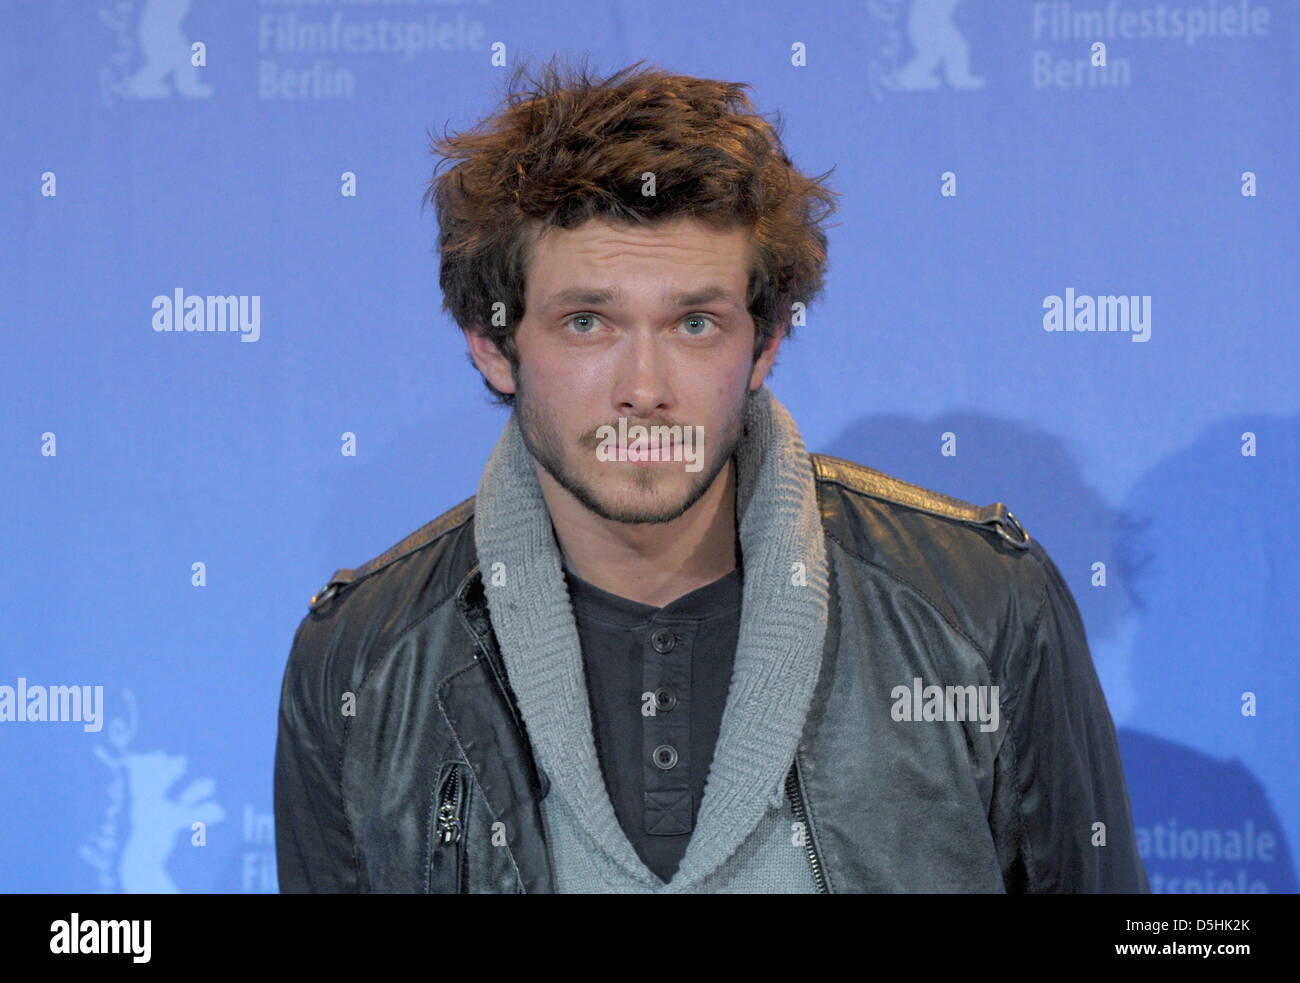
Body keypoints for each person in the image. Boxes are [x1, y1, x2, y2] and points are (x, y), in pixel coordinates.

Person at [273, 57, 1149, 893]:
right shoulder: (360, 659)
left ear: (763, 344)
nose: (644, 390)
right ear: (494, 346)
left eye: (695, 324)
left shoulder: (985, 604)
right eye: (587, 323)